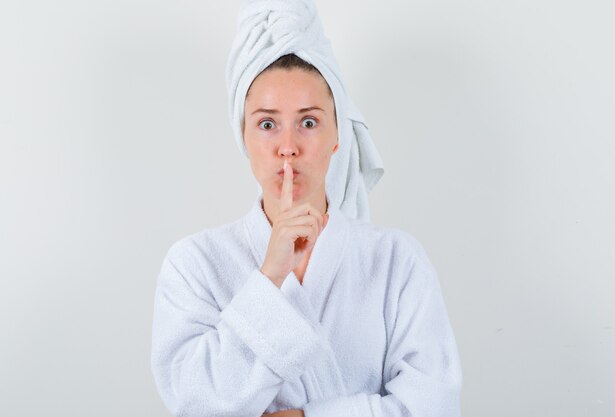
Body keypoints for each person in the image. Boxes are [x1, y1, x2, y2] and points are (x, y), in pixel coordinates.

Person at [150, 1, 462, 416]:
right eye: (267, 123)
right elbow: (194, 403)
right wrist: (270, 275)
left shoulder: (397, 261)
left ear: (338, 135)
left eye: (309, 122)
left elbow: (435, 405)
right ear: (243, 136)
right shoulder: (194, 264)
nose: (288, 146)